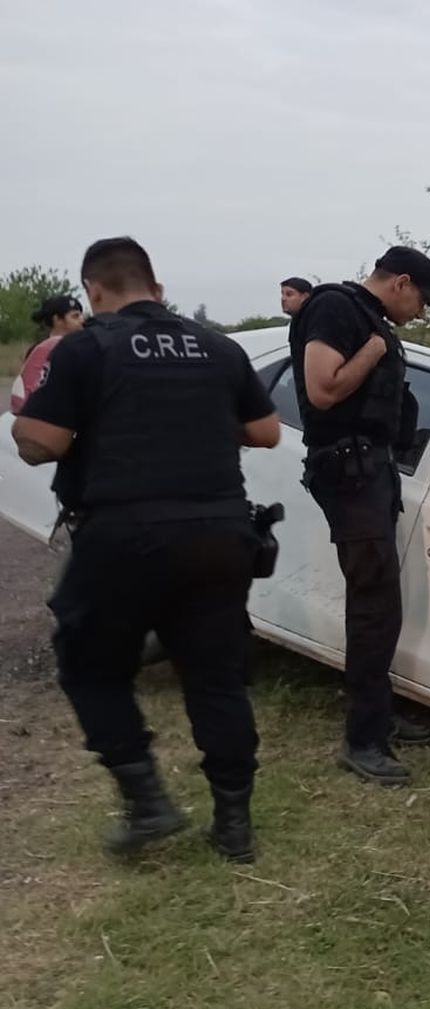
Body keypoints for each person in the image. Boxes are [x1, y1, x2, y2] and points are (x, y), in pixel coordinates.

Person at [11, 237, 281, 863]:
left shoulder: (87, 347)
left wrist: (26, 431)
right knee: (216, 678)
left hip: (123, 537)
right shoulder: (218, 347)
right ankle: (234, 825)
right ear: (158, 290)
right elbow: (265, 432)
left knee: (90, 666)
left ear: (95, 292)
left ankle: (147, 801)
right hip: (219, 535)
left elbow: (44, 442)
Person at [289, 247, 430, 785]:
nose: (421, 313)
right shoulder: (335, 308)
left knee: (382, 602)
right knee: (373, 604)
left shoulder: (368, 318)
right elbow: (322, 389)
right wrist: (375, 349)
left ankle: (378, 714)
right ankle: (362, 742)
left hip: (370, 472)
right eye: (422, 300)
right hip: (347, 472)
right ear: (401, 282)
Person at [10, 294, 85, 413]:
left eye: (81, 315)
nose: (82, 320)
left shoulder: (84, 349)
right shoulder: (36, 352)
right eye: (75, 316)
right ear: (58, 320)